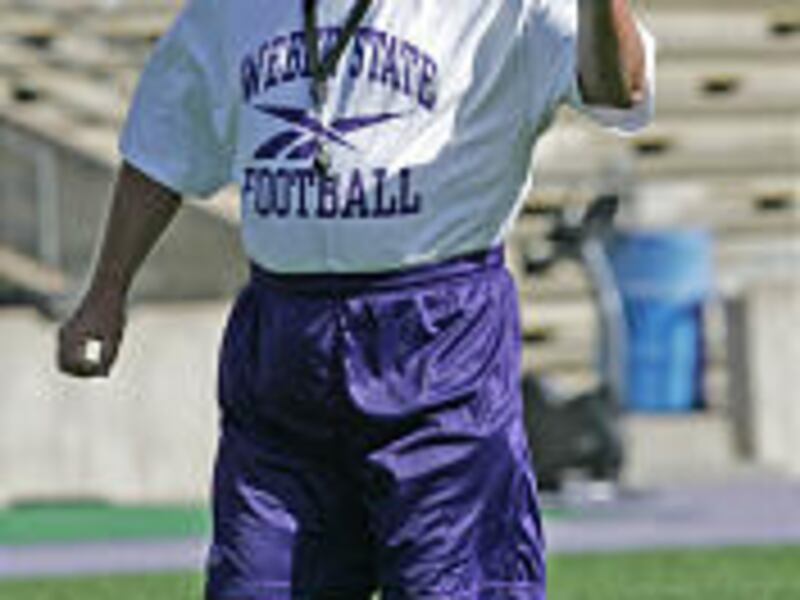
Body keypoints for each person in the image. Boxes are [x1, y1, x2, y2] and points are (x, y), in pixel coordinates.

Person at [59, 0, 655, 597]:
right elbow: (165, 142)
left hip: (439, 339)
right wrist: (106, 292)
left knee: (454, 586)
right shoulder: (230, 9)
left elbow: (617, 87)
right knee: (257, 583)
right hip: (285, 343)